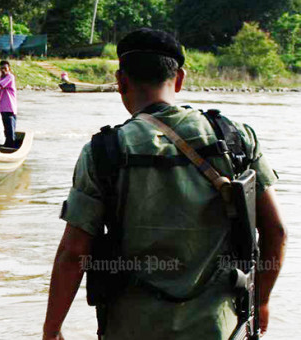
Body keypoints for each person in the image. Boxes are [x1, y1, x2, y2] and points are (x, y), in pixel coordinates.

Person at [43, 28, 287, 340]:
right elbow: (276, 231)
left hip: (130, 328)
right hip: (219, 328)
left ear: (121, 82)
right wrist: (262, 300)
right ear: (180, 78)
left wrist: (52, 329)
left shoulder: (104, 151)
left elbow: (74, 253)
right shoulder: (235, 138)